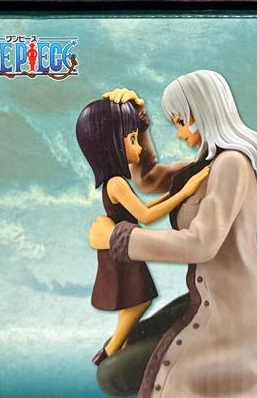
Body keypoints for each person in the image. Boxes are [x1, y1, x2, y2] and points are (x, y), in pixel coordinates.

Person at [88, 72, 257, 398]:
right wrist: (139, 121)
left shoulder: (232, 164)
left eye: (181, 121)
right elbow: (147, 179)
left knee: (111, 376)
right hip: (210, 298)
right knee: (132, 340)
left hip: (240, 313)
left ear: (203, 112)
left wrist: (120, 238)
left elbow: (201, 244)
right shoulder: (203, 165)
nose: (179, 132)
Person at [76, 97, 210, 365]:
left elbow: (144, 208)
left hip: (123, 248)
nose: (138, 147)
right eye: (132, 140)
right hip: (121, 251)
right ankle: (111, 349)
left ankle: (120, 346)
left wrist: (176, 192)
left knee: (134, 301)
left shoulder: (116, 182)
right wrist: (185, 191)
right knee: (138, 302)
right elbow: (146, 216)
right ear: (112, 145)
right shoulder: (116, 183)